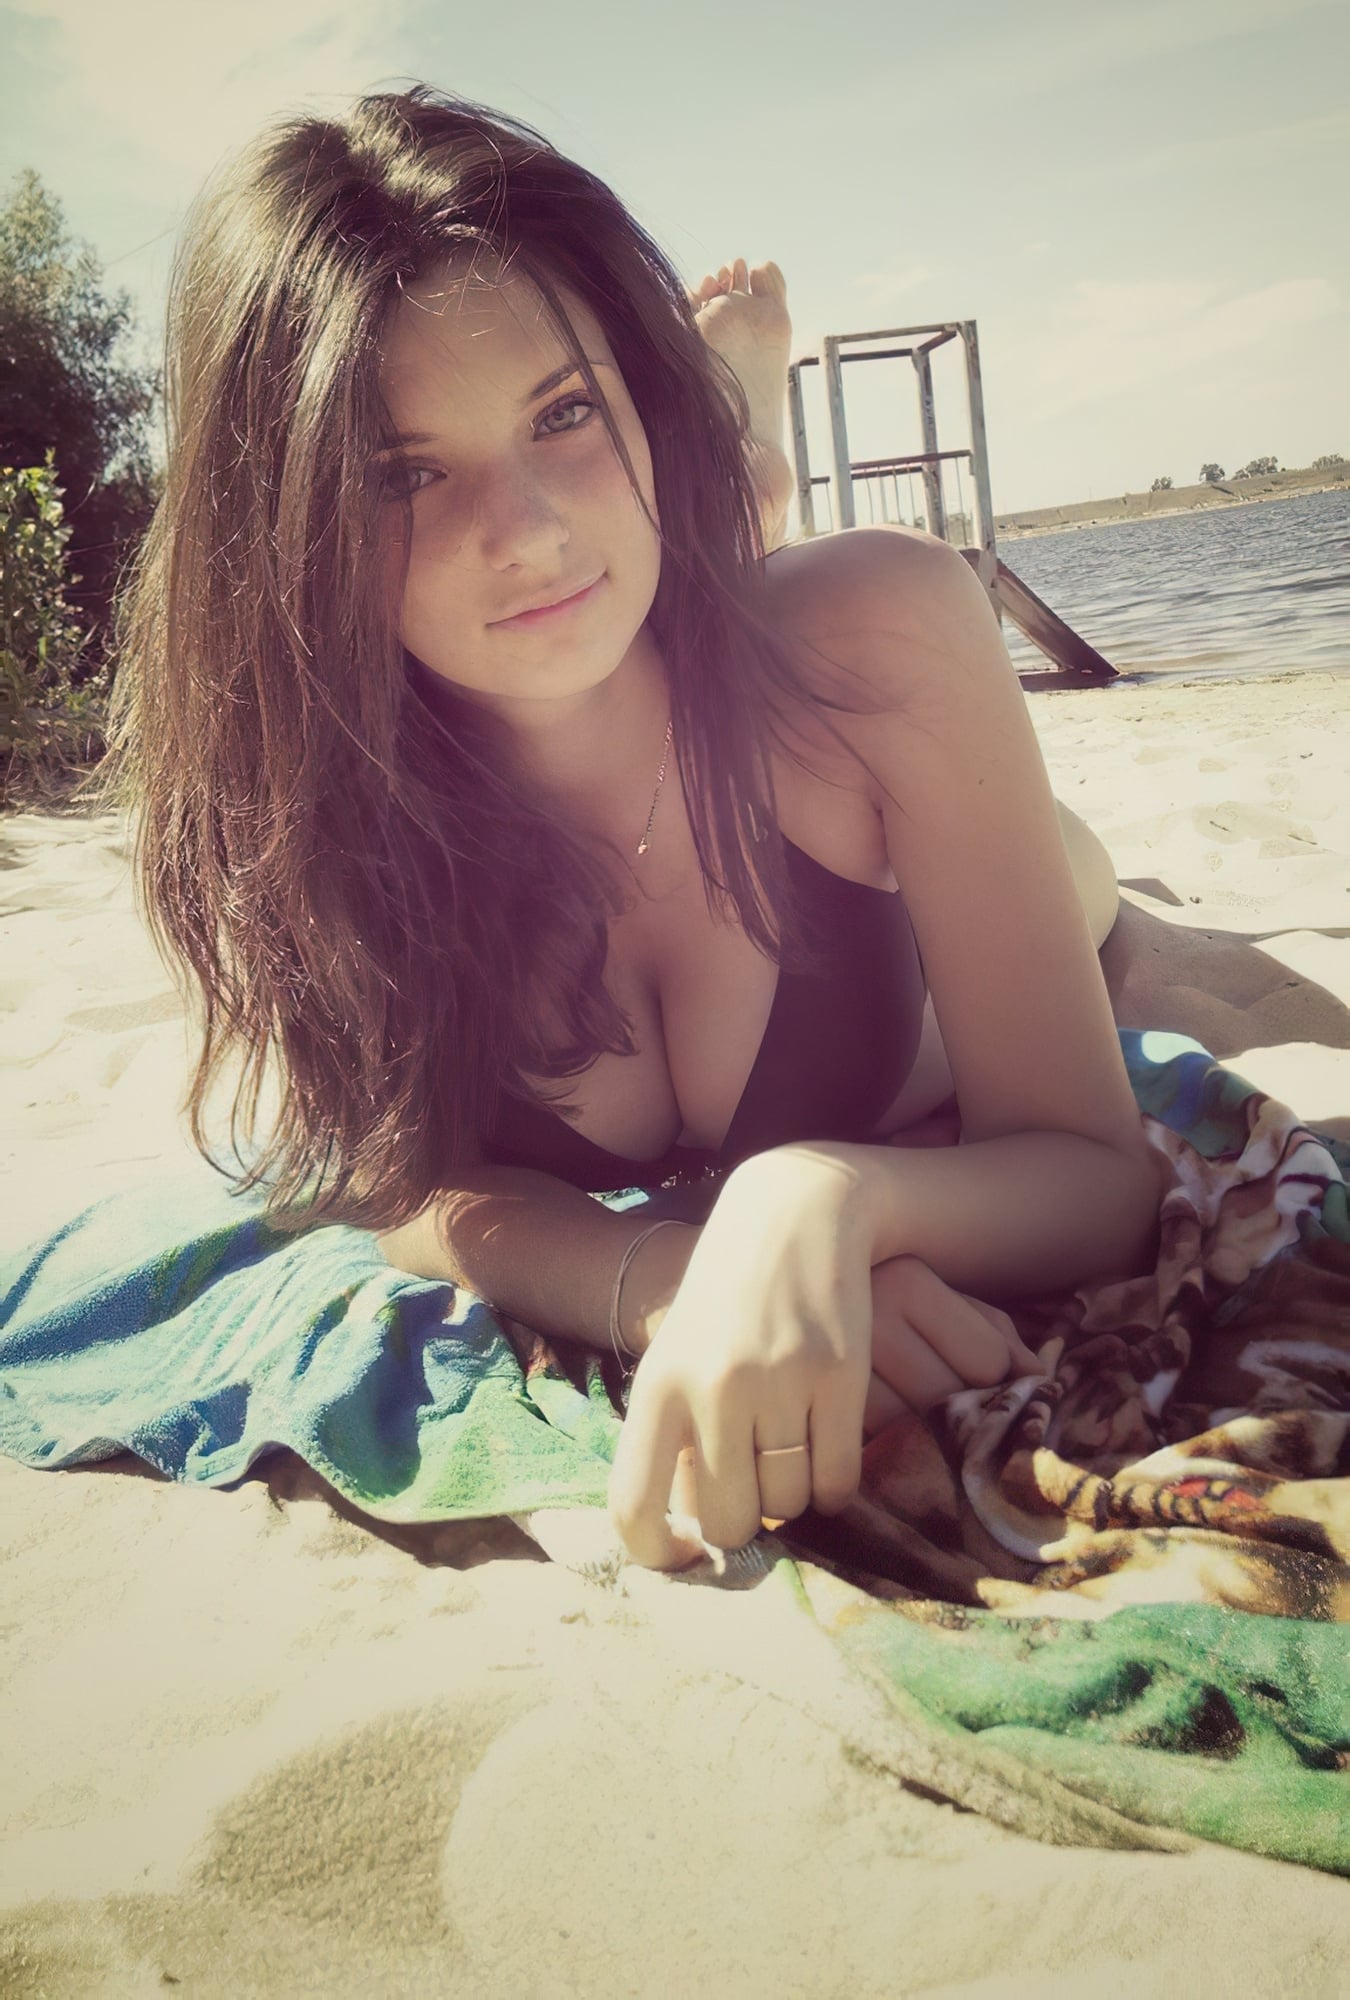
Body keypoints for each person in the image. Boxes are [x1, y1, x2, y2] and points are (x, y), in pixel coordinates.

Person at [102, 84, 1161, 1575]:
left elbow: (1095, 1172)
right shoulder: (305, 817)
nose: (528, 530)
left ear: (636, 396)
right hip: (684, 672)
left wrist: (823, 1191)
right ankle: (734, 458)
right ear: (281, 526)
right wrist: (666, 1274)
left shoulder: (886, 631)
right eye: (404, 473)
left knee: (1080, 875)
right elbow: (398, 1178)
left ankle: (747, 440)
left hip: (924, 862)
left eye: (566, 412)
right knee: (665, 582)